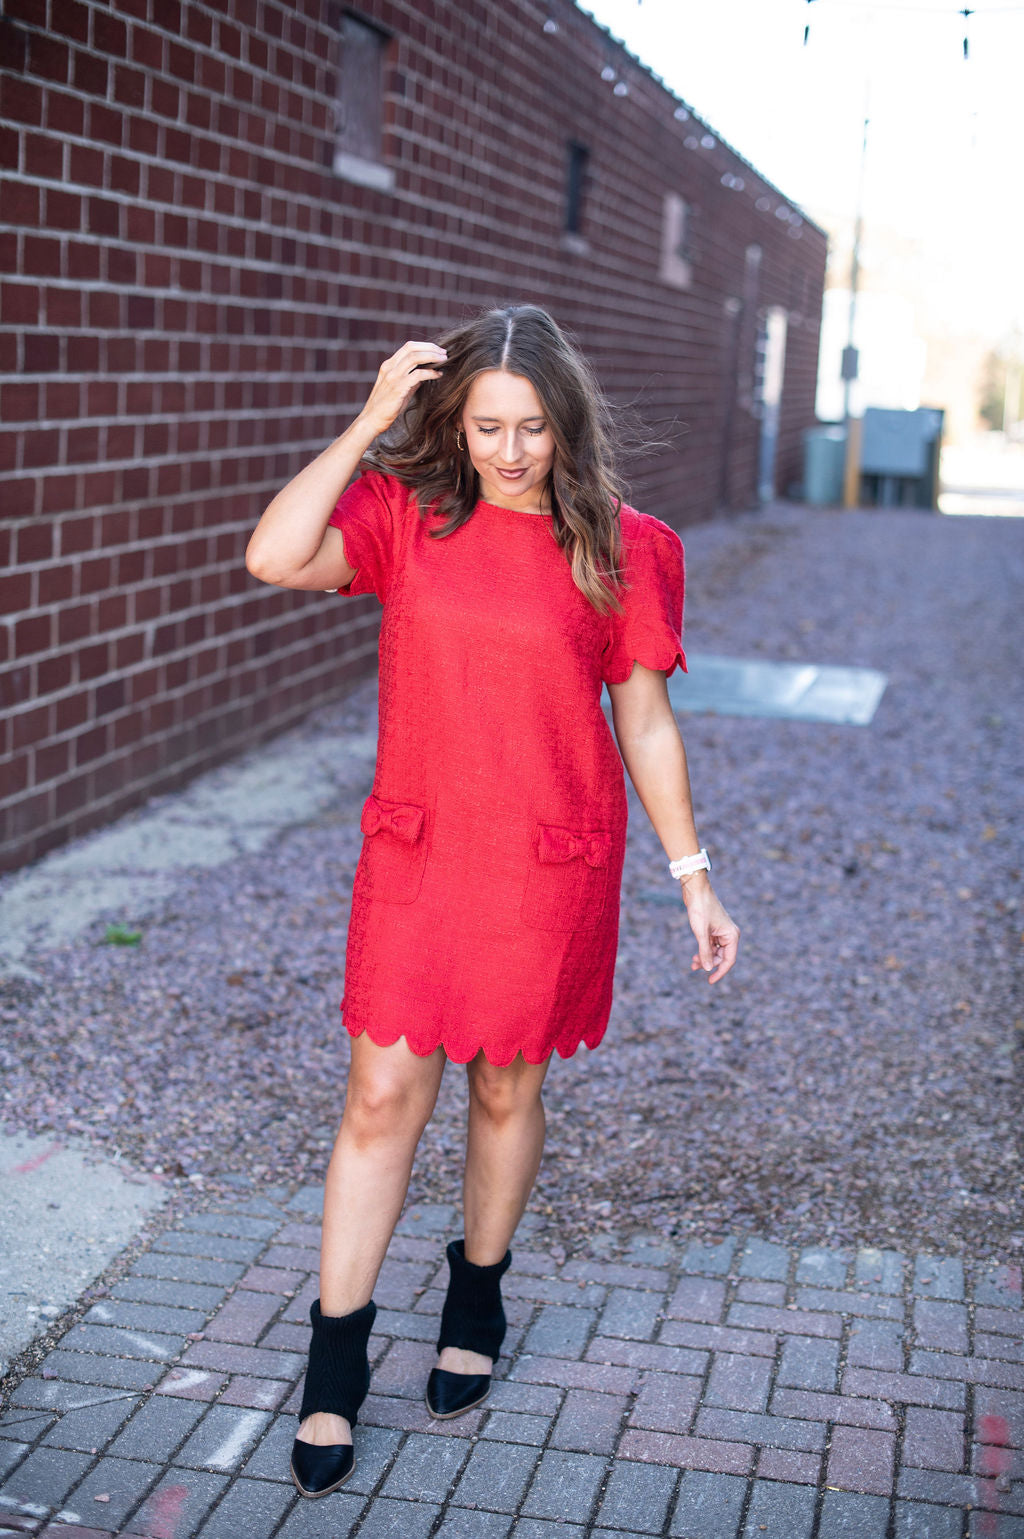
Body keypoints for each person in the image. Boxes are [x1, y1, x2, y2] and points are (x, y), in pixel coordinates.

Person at [245, 303, 740, 1499]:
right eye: (485, 426)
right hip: (420, 856)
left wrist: (693, 877)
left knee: (508, 1083)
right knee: (378, 1097)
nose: (509, 451)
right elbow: (272, 554)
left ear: (565, 425)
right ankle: (336, 1360)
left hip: (547, 861)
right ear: (452, 426)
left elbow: (646, 720)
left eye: (529, 428)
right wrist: (371, 419)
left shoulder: (623, 549)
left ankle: (477, 1294)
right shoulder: (404, 518)